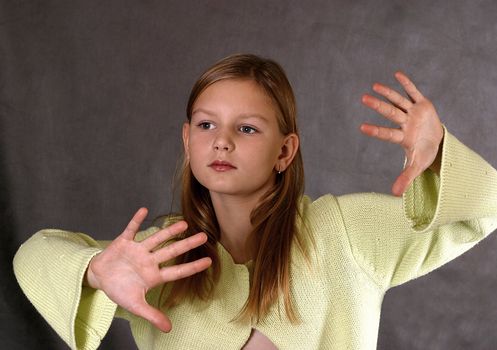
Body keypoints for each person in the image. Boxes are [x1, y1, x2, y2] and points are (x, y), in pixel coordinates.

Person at [13, 54, 497, 350]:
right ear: (187, 141)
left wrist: (439, 160)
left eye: (246, 128)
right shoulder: (163, 257)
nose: (221, 142)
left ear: (284, 150)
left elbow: (483, 209)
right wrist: (96, 270)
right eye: (206, 125)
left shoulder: (343, 232)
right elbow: (34, 254)